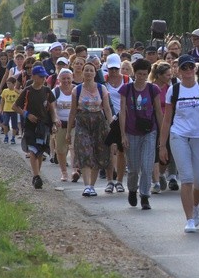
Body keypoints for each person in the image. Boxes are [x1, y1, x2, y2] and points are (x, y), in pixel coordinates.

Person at [159, 55, 199, 233]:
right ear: (178, 70)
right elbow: (167, 119)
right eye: (184, 67)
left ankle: (194, 204)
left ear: (195, 68)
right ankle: (189, 219)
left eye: (190, 66)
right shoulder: (174, 90)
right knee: (187, 178)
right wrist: (162, 145)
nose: (187, 70)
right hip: (179, 135)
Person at [119, 59, 163, 210]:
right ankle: (132, 189)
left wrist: (162, 133)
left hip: (149, 131)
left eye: (145, 74)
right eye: (139, 74)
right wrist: (123, 135)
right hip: (131, 131)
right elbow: (123, 112)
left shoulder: (153, 89)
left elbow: (158, 110)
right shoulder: (126, 89)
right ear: (134, 73)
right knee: (133, 168)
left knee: (146, 165)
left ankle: (145, 195)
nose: (142, 77)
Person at [67, 62, 113, 196]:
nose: (88, 73)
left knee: (98, 153)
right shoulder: (77, 90)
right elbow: (72, 112)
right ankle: (87, 186)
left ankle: (92, 185)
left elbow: (107, 109)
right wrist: (69, 131)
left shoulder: (101, 89)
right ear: (82, 72)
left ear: (95, 73)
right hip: (82, 122)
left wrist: (111, 127)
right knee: (84, 151)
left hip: (99, 122)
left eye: (91, 70)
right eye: (86, 70)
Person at [12, 65, 61, 189]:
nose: (43, 79)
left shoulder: (47, 91)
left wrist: (54, 123)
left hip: (43, 125)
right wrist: (26, 114)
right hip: (30, 125)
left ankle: (37, 175)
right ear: (33, 76)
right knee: (33, 150)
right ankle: (36, 176)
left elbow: (52, 109)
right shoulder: (27, 90)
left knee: (39, 152)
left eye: (44, 76)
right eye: (40, 76)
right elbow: (15, 106)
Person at [103, 54, 130, 194]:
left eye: (115, 68)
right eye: (111, 68)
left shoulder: (126, 80)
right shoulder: (103, 81)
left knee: (121, 150)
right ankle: (109, 180)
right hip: (108, 119)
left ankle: (119, 181)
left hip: (123, 119)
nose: (113, 71)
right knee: (109, 150)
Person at [148, 61, 174, 194]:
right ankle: (156, 181)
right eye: (167, 75)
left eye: (171, 74)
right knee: (155, 151)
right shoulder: (151, 88)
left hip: (168, 122)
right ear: (159, 75)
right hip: (153, 122)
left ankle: (161, 174)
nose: (170, 77)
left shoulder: (170, 88)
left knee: (167, 153)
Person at [53, 68, 75, 181]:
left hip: (75, 124)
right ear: (59, 79)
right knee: (61, 149)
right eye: (63, 78)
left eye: (68, 78)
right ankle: (64, 172)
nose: (66, 81)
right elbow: (53, 108)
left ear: (72, 78)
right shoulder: (55, 91)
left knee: (74, 147)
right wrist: (56, 118)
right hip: (61, 124)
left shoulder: (76, 90)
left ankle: (75, 170)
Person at [0, 76, 20, 145]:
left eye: (10, 83)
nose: (8, 85)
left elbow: (21, 97)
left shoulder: (16, 91)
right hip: (6, 110)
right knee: (5, 123)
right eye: (7, 83)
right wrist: (1, 108)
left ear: (14, 84)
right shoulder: (5, 91)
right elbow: (2, 100)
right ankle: (6, 136)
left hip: (14, 111)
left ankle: (13, 137)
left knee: (14, 125)